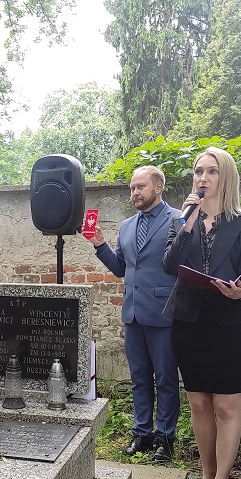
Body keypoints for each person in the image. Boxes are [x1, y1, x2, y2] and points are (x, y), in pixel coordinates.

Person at [162, 147, 241, 479]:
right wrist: (187, 220)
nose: (203, 178)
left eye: (212, 171)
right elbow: (170, 265)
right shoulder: (181, 220)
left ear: (226, 178)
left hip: (230, 325)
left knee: (226, 407)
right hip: (189, 324)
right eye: (197, 171)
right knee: (200, 405)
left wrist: (240, 291)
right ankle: (205, 477)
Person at [87, 165, 181, 462]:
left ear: (158, 187)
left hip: (165, 314)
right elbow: (120, 269)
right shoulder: (127, 226)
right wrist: (100, 243)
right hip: (133, 315)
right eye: (132, 188)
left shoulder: (178, 219)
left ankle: (165, 439)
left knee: (165, 379)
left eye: (140, 187)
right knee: (139, 378)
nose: (134, 193)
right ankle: (142, 433)